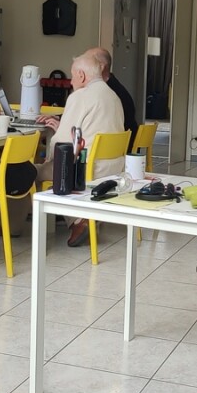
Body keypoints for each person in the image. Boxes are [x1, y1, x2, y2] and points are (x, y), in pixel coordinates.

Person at [36, 50, 125, 247]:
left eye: (72, 76)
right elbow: (86, 132)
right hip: (113, 169)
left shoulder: (79, 96)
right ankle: (79, 219)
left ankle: (13, 226)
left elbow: (60, 143)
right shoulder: (114, 96)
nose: (70, 82)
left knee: (30, 171)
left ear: (82, 76)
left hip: (87, 169)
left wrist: (47, 158)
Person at [87, 46, 138, 144]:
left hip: (115, 147)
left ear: (101, 67)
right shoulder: (114, 87)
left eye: (87, 63)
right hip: (122, 144)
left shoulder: (107, 93)